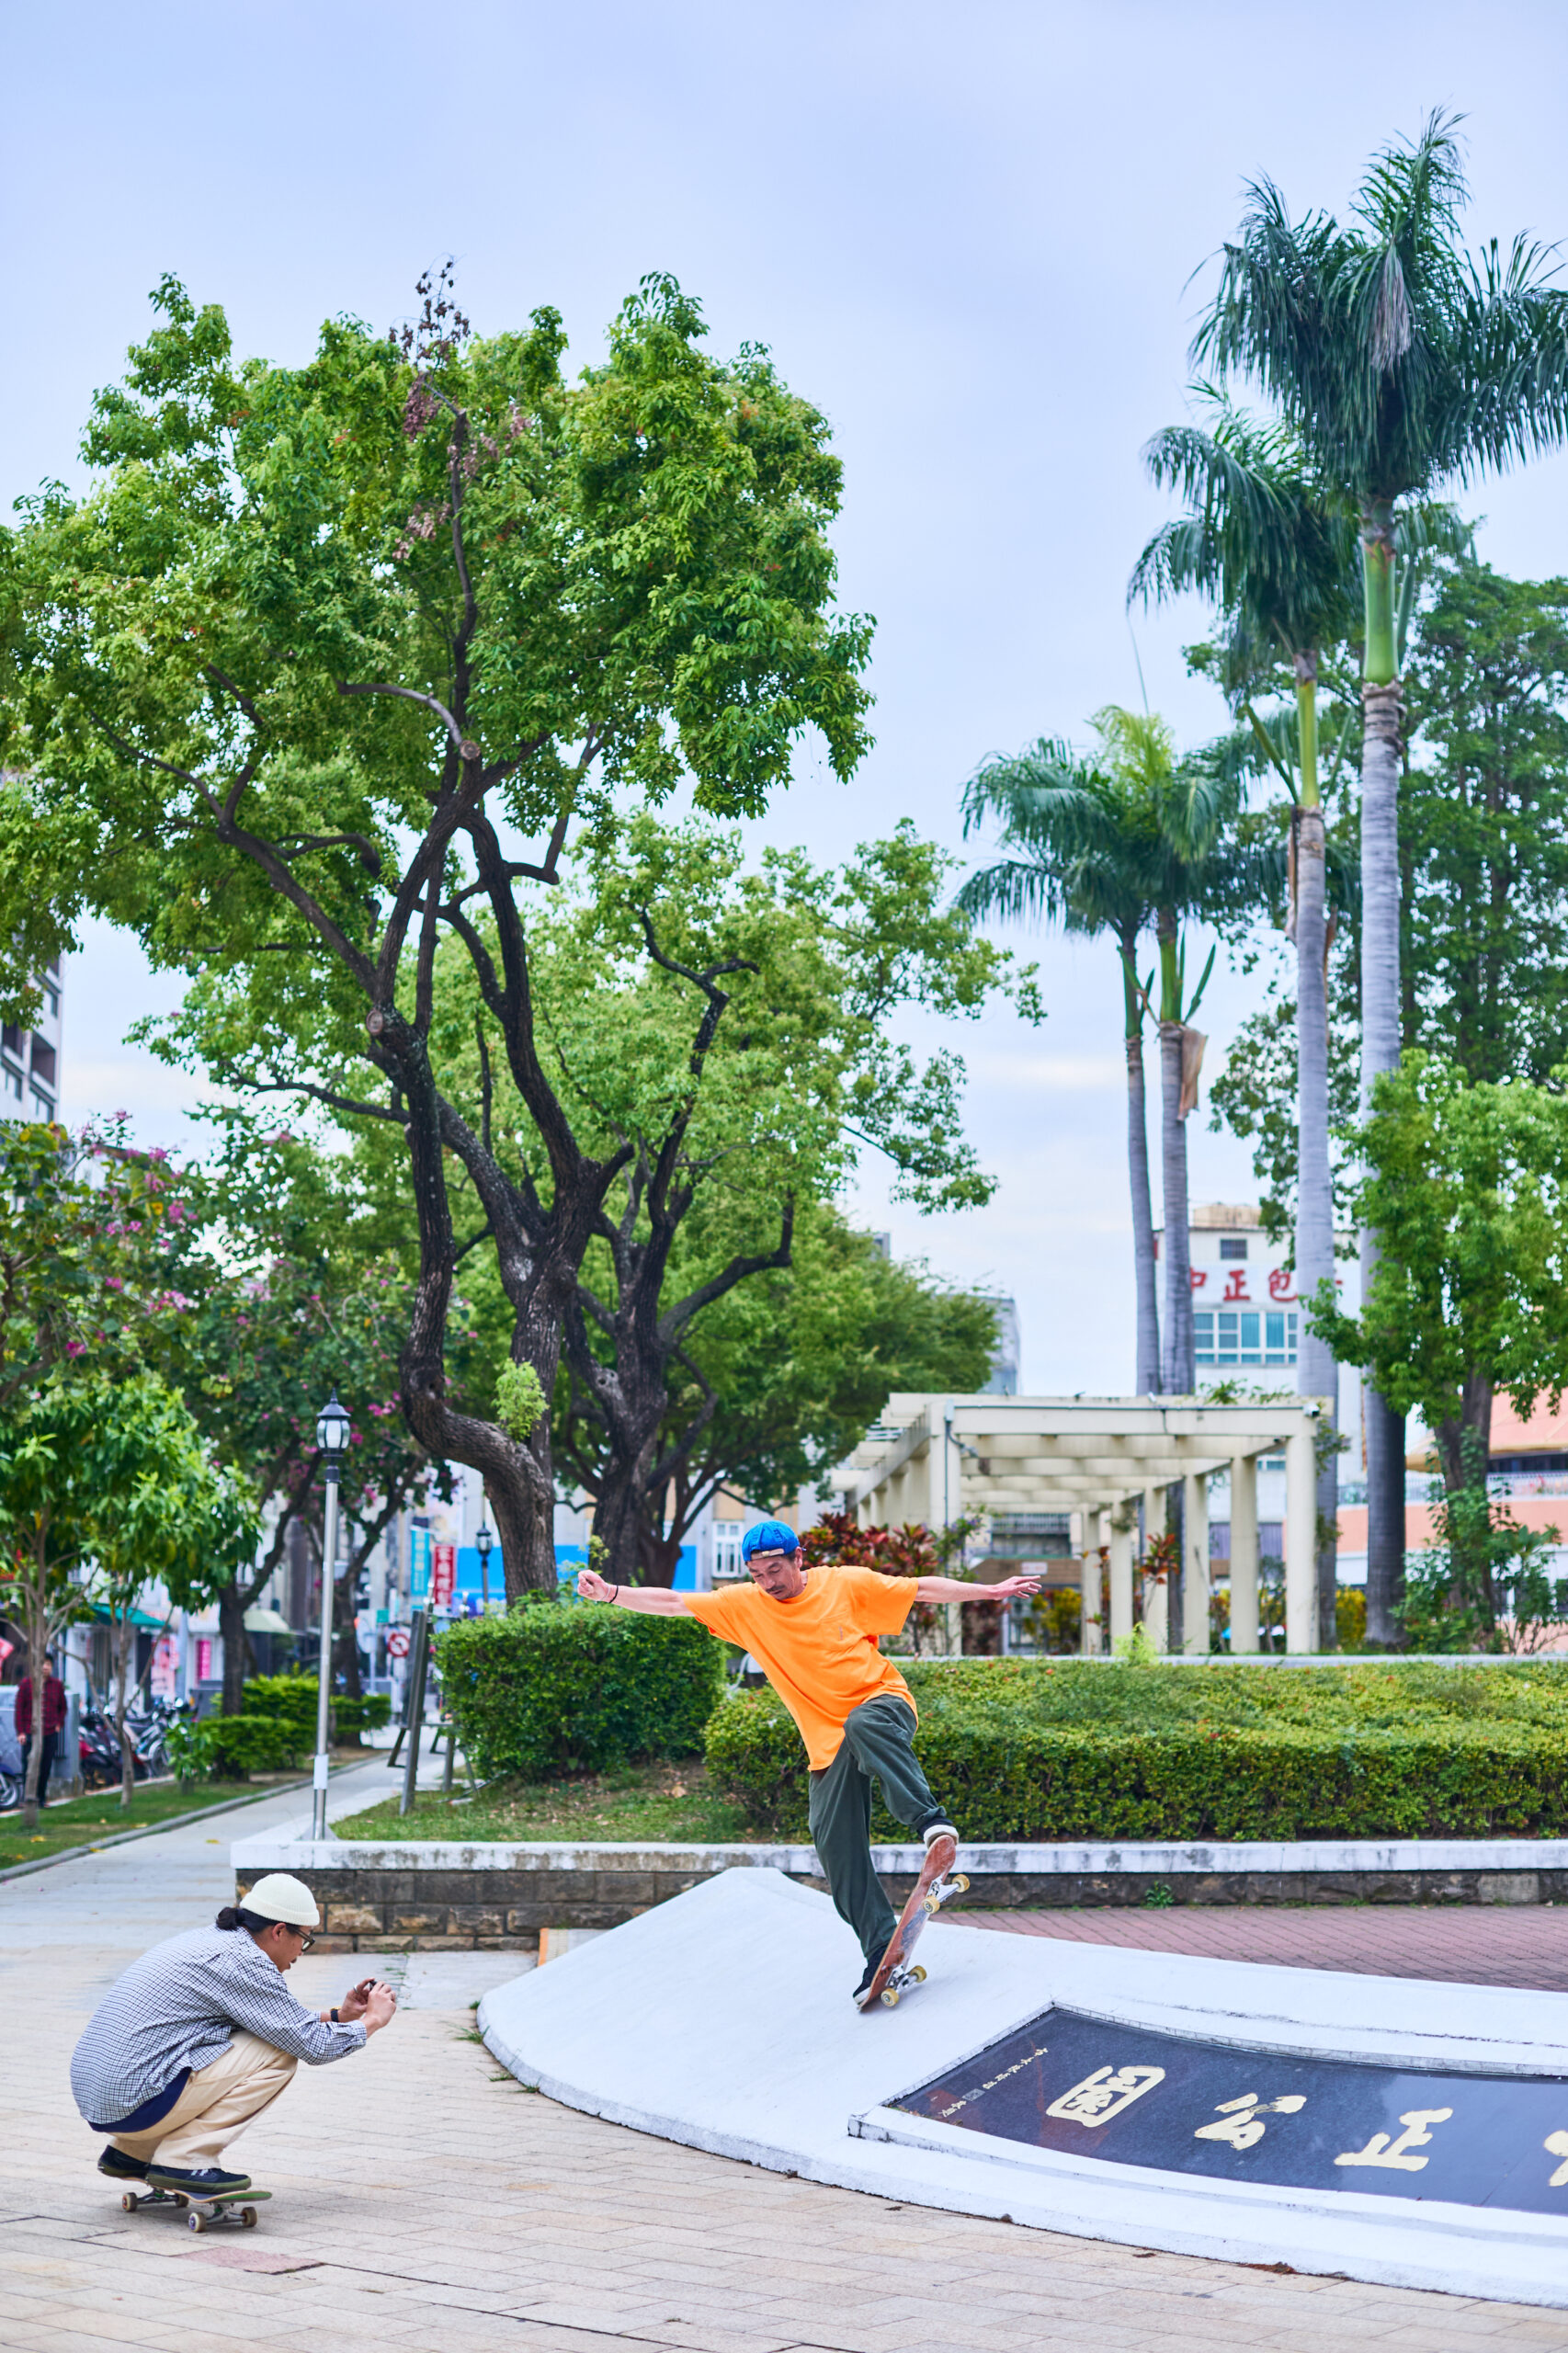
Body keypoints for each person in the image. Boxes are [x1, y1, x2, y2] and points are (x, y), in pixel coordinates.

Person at [576, 1523, 1041, 2001]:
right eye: (757, 1574)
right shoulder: (745, 1605)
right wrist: (611, 1593)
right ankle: (881, 1950)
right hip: (827, 1742)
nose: (768, 1583)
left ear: (799, 1558)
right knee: (833, 1842)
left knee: (862, 1723)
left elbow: (920, 1589)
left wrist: (990, 1591)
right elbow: (676, 1601)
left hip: (882, 1706)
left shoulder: (845, 1584)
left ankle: (931, 1823)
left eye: (776, 1570)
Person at [71, 1871, 398, 2198]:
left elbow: (274, 2021)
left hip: (105, 2099)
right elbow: (313, 2046)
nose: (302, 1951)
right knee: (280, 2053)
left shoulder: (213, 1941)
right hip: (133, 2104)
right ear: (279, 1931)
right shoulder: (242, 1962)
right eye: (305, 1939)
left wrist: (340, 2016)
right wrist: (372, 2021)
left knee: (266, 2039)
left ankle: (132, 2153)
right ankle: (183, 2161)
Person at [15, 1649, 66, 1801]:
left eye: (48, 1664)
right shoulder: (26, 1684)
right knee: (28, 1765)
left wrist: (59, 1724)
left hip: (50, 1732)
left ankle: (41, 1798)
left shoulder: (57, 1685)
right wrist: (21, 1732)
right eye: (42, 1664)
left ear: (52, 1667)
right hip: (29, 1731)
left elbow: (63, 1707)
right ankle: (27, 1798)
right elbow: (19, 1709)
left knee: (46, 1766)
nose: (45, 1667)